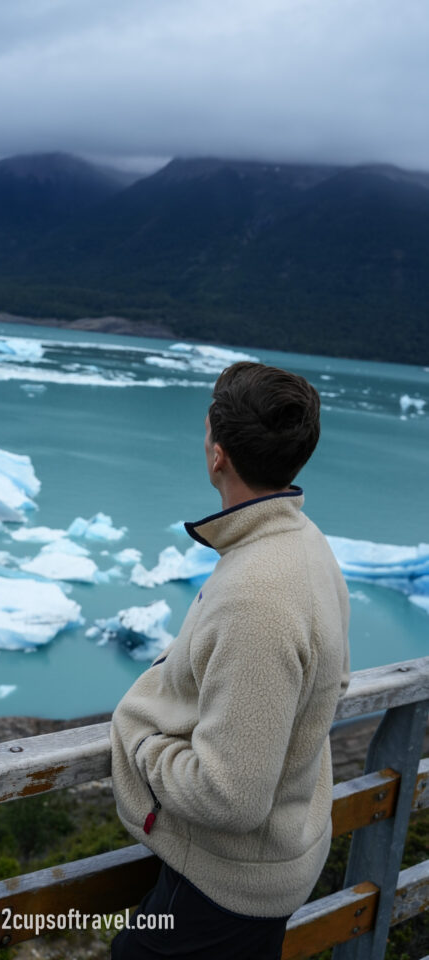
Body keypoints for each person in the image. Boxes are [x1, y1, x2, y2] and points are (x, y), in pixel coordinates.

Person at [110, 361, 350, 960]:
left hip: (225, 887)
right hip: (270, 864)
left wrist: (144, 745)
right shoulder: (303, 543)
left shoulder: (257, 598)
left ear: (218, 453)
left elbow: (230, 797)